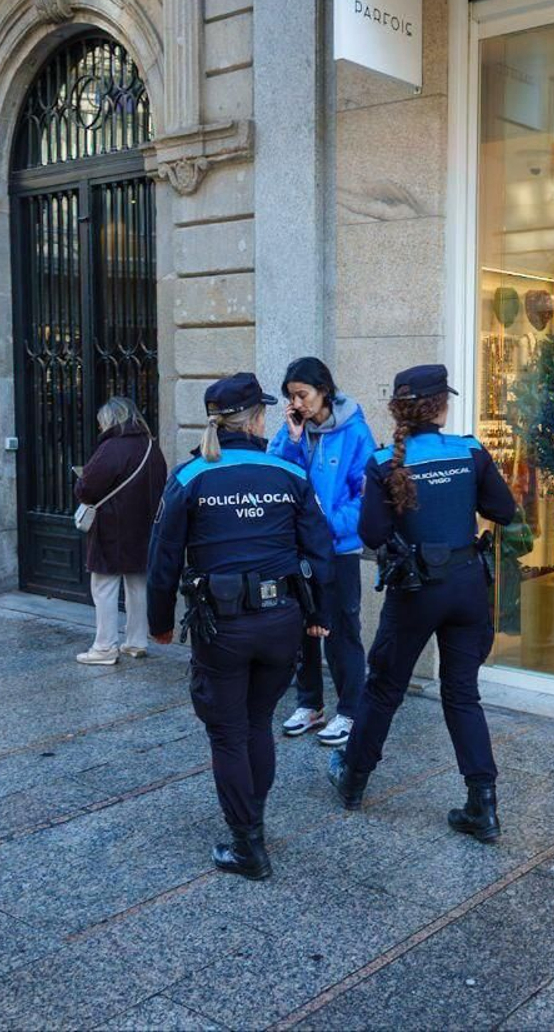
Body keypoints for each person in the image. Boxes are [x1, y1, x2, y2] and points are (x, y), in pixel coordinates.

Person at [147, 373, 333, 880]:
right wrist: (318, 616)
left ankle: (247, 844)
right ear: (255, 420)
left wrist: (159, 622)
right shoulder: (286, 473)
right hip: (281, 623)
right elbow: (320, 549)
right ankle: (254, 825)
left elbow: (162, 558)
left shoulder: (191, 476)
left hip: (222, 625)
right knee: (256, 724)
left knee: (229, 733)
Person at [327, 365, 516, 841]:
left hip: (415, 591)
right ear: (442, 406)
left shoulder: (385, 461)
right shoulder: (469, 450)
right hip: (468, 586)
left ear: (398, 409)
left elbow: (370, 533)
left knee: (385, 688)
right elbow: (505, 510)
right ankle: (483, 805)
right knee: (462, 694)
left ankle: (353, 781)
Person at [267, 357, 375, 747]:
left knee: (342, 628)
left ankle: (350, 710)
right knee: (301, 627)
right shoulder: (292, 431)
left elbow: (366, 496)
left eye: (303, 394)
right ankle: (309, 702)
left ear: (323, 390)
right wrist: (293, 440)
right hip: (297, 550)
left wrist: (323, 526)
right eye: (291, 396)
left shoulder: (355, 432)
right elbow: (276, 477)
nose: (298, 403)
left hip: (337, 549)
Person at [73, 395, 166, 665]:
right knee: (138, 585)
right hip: (145, 526)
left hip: (112, 528)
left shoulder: (111, 447)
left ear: (111, 419)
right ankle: (136, 642)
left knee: (104, 586)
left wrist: (80, 485)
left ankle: (104, 648)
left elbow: (87, 488)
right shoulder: (151, 445)